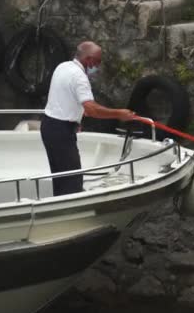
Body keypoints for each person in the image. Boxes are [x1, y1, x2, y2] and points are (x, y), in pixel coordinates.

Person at [41, 41, 135, 196]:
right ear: (89, 59)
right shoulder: (79, 77)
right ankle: (71, 212)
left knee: (59, 175)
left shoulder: (62, 66)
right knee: (72, 179)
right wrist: (119, 113)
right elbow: (91, 110)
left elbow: (64, 97)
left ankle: (60, 203)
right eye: (98, 61)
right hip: (61, 131)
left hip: (49, 125)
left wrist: (76, 118)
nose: (98, 66)